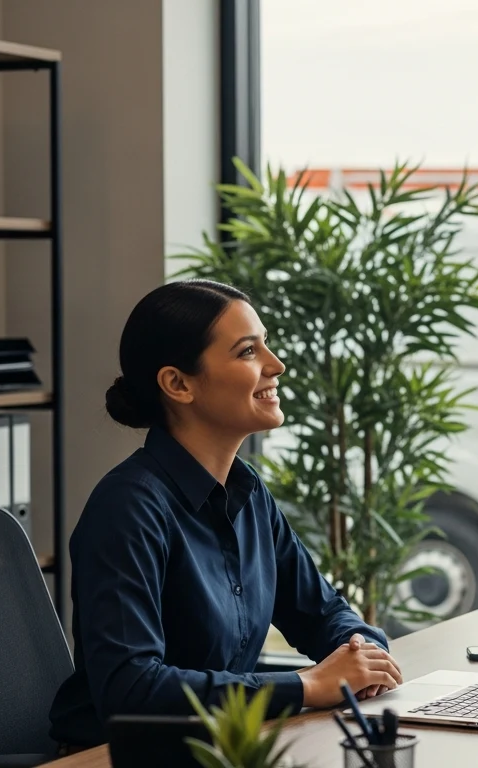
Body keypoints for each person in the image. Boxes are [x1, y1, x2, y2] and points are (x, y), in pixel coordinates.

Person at [48, 280, 403, 750]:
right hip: (118, 759)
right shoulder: (127, 508)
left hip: (221, 747)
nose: (276, 365)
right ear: (178, 384)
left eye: (266, 346)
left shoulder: (248, 490)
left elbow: (321, 614)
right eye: (247, 352)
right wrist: (305, 686)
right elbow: (131, 690)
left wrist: (361, 649)